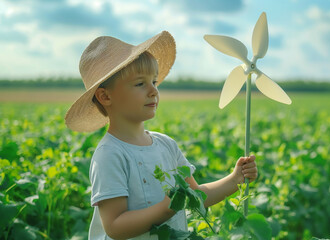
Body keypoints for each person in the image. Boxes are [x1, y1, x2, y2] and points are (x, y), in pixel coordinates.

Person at [65, 31, 258, 240]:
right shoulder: (109, 154)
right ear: (105, 96)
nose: (153, 91)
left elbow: (196, 196)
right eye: (140, 84)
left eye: (154, 82)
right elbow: (114, 226)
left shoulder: (166, 145)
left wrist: (234, 179)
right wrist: (167, 208)